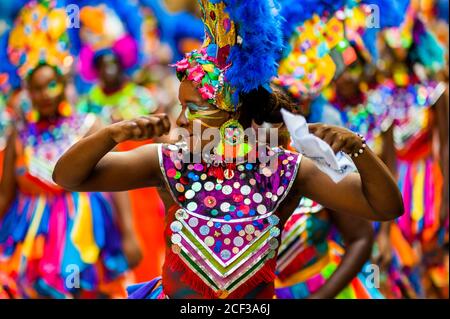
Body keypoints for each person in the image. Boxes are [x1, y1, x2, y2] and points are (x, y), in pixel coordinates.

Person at [53, 0, 404, 299]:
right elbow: (68, 176)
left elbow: (385, 206)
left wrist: (358, 150)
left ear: (232, 113)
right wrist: (112, 135)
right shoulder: (170, 163)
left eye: (192, 109)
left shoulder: (285, 170)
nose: (180, 120)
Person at [0, 1, 139, 298]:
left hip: (85, 235)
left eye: (50, 84)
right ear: (28, 91)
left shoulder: (89, 126)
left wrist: (129, 233)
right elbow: (5, 195)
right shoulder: (19, 135)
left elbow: (117, 184)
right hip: (30, 240)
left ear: (63, 84)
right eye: (36, 88)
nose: (43, 94)